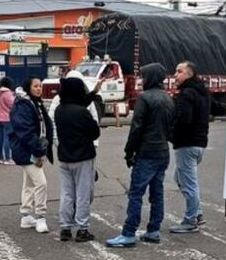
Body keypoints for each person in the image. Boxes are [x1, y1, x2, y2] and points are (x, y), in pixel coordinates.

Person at [106, 63, 175, 248]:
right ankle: (153, 230)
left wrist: (129, 152)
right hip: (163, 151)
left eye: (144, 77)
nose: (141, 81)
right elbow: (171, 128)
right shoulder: (168, 98)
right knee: (157, 192)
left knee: (136, 193)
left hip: (146, 152)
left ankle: (128, 233)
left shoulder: (145, 98)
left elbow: (136, 128)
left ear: (150, 78)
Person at [168, 61, 226, 234]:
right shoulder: (202, 91)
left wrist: (170, 134)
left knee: (189, 183)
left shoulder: (186, 94)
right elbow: (216, 107)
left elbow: (183, 119)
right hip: (199, 144)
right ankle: (196, 213)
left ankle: (191, 220)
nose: (175, 75)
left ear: (189, 75)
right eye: (175, 71)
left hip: (187, 144)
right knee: (180, 178)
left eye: (179, 71)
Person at [55, 77, 101, 243]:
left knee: (67, 193)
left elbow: (79, 103)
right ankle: (82, 228)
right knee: (82, 194)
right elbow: (95, 132)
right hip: (82, 157)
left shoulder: (59, 110)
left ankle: (65, 228)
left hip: (64, 156)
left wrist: (93, 93)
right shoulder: (82, 112)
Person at [9, 77, 54, 234]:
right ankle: (40, 216)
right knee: (41, 183)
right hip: (27, 150)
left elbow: (44, 125)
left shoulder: (36, 103)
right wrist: (39, 152)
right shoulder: (23, 105)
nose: (39, 88)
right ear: (29, 87)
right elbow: (26, 132)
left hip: (31, 149)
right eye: (35, 86)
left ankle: (26, 215)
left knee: (28, 183)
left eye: (40, 86)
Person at [0, 77, 15, 165]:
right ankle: (8, 158)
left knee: (0, 138)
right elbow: (13, 104)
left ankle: (0, 158)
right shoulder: (7, 93)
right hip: (6, 118)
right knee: (7, 138)